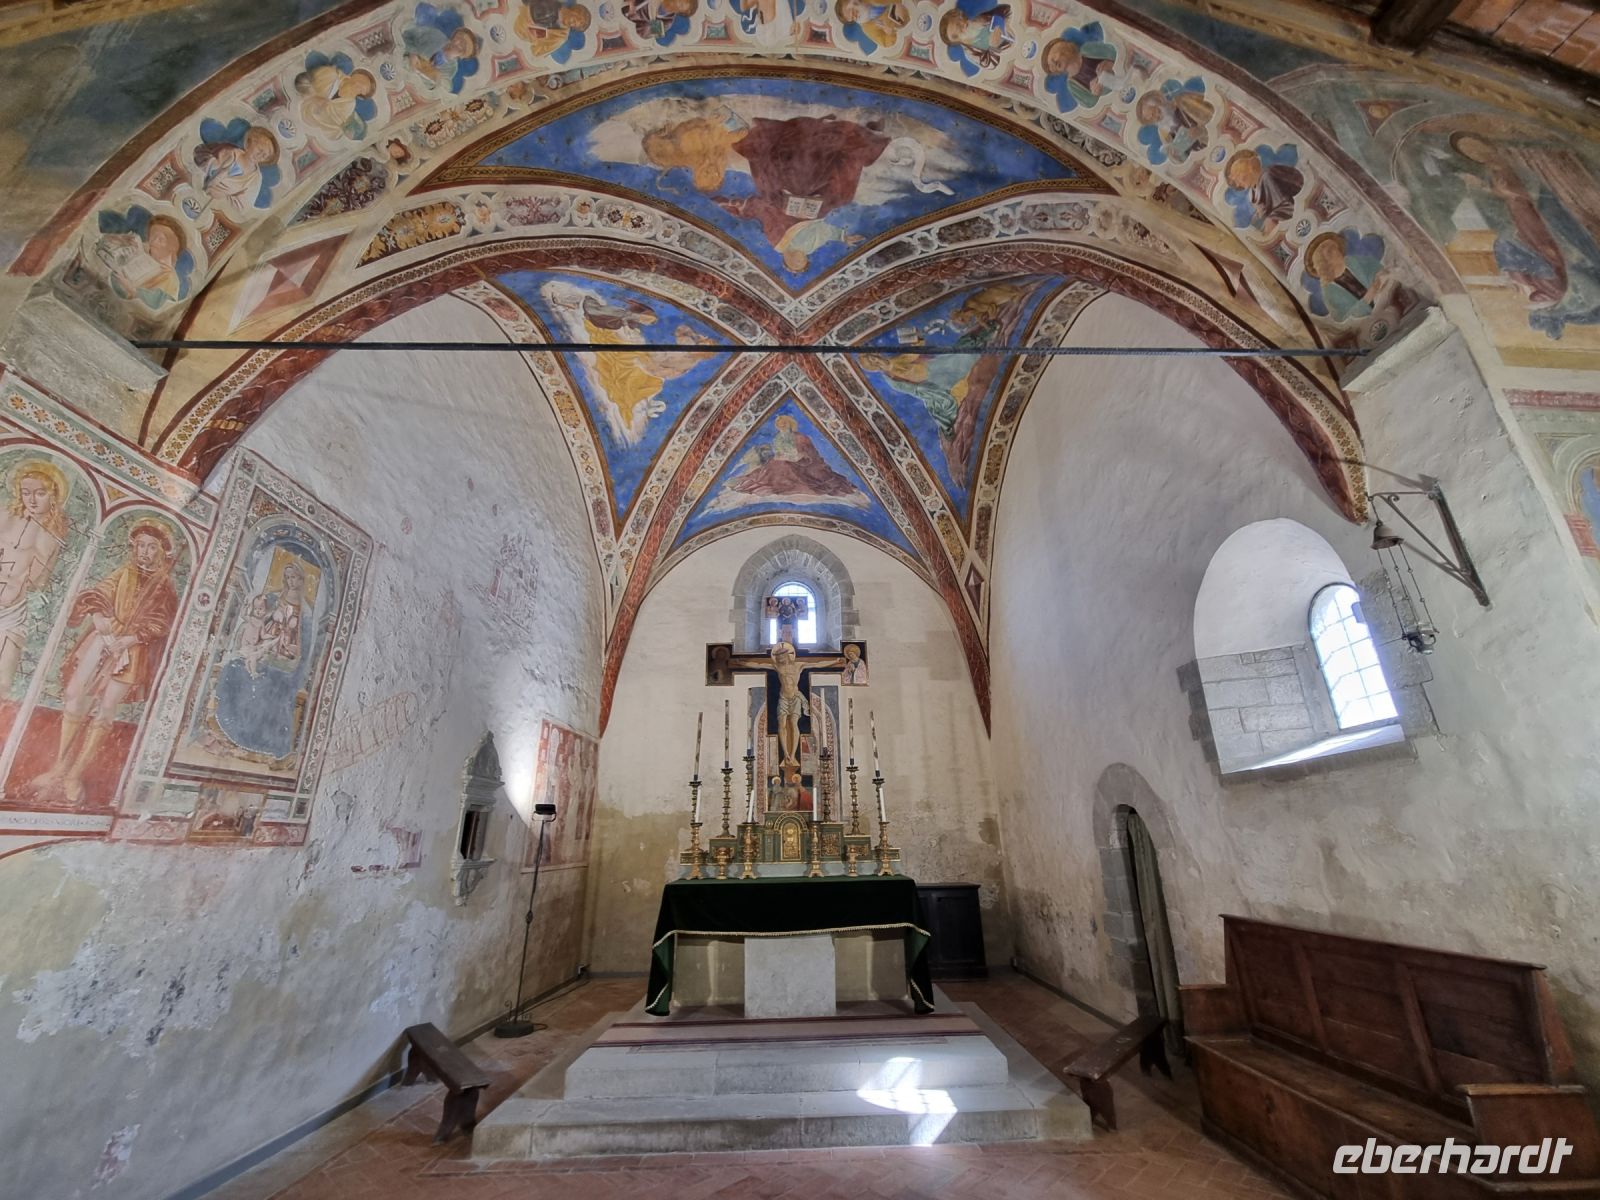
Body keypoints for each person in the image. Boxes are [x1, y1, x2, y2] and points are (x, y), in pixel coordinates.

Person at [29, 521, 178, 807]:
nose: (144, 552)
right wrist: (98, 617)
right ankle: (59, 766)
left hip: (130, 650)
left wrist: (132, 638)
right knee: (75, 695)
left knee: (106, 710)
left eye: (151, 547)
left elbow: (163, 622)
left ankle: (74, 774)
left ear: (161, 551)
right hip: (104, 640)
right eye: (140, 545)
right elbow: (98, 594)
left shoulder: (165, 584)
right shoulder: (125, 572)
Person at [0, 460, 69, 696]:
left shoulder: (54, 534)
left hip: (13, 612)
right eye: (26, 492)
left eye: (40, 493)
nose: (32, 499)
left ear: (53, 495)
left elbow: (41, 581)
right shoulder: (4, 516)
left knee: (3, 683)